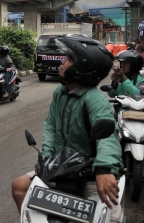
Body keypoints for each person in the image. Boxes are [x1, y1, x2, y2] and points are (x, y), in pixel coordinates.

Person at [11, 35, 123, 222]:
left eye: (69, 59)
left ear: (82, 68)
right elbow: (51, 127)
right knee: (19, 185)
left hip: (89, 173)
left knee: (110, 216)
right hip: (62, 168)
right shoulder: (60, 92)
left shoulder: (95, 99)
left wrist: (104, 169)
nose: (62, 61)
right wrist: (46, 160)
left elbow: (107, 136)